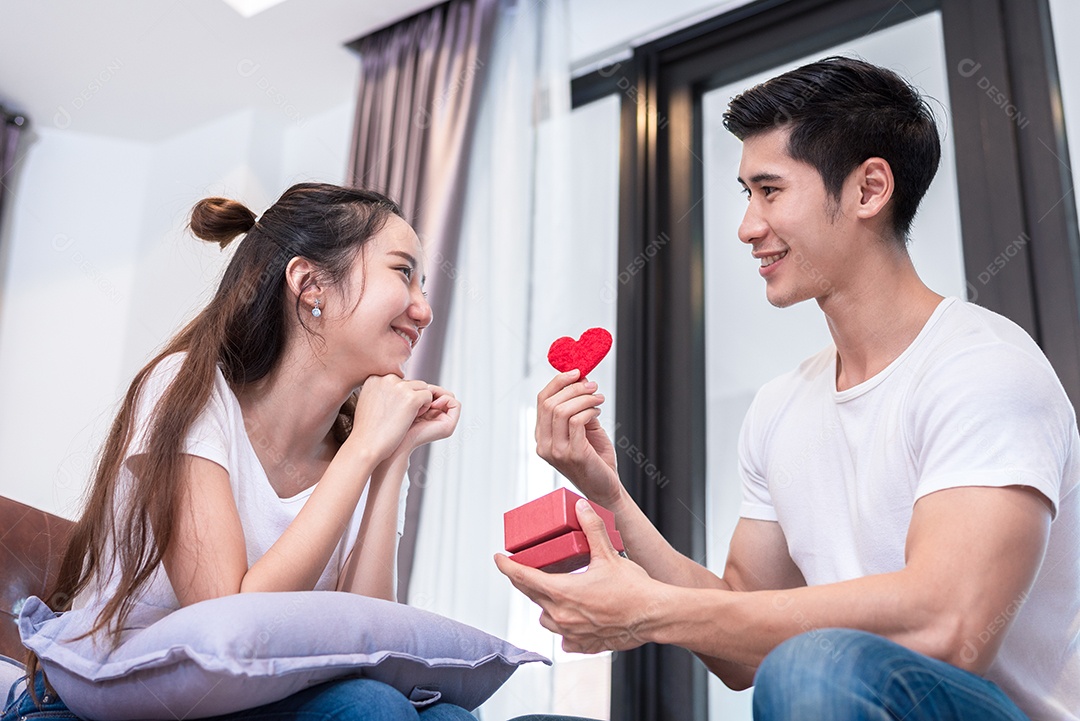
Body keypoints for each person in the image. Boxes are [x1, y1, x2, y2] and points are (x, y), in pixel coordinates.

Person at [496, 57, 1080, 720]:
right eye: (747, 194)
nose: (747, 225)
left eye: (770, 191)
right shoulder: (781, 406)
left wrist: (651, 611)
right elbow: (740, 644)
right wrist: (611, 497)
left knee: (812, 665)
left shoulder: (982, 367)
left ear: (868, 190)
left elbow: (950, 627)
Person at [3, 183, 473, 720]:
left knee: (448, 717)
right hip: (113, 697)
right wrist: (364, 451)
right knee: (370, 706)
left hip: (254, 700)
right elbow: (225, 625)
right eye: (403, 273)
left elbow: (370, 647)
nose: (424, 310)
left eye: (424, 284)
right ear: (310, 283)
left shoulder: (368, 442)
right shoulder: (187, 388)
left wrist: (392, 456)